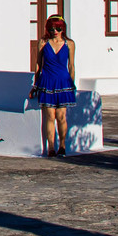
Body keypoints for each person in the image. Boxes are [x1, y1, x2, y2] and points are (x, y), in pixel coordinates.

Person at [31, 15, 77, 157]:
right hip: (47, 80)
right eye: (52, 29)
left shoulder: (69, 43)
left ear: (63, 28)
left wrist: (72, 83)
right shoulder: (43, 42)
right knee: (49, 116)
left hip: (63, 81)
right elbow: (38, 64)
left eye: (58, 28)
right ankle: (50, 147)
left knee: (61, 116)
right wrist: (35, 84)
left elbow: (71, 65)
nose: (55, 31)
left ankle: (62, 145)